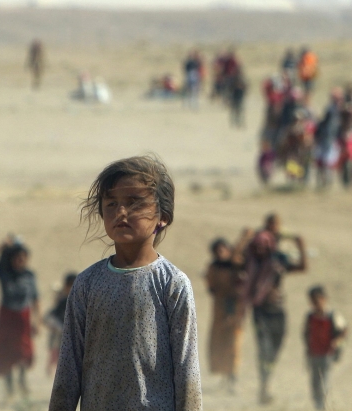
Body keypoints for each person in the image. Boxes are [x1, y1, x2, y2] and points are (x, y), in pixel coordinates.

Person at [48, 155, 203, 411]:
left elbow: (187, 372)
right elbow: (68, 369)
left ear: (162, 215)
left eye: (134, 203)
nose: (121, 212)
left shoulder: (172, 284)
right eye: (111, 203)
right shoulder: (87, 284)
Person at [237, 227, 307, 405]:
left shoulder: (278, 261)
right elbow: (233, 258)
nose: (260, 249)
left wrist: (301, 247)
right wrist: (244, 238)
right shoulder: (250, 262)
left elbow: (302, 267)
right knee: (264, 349)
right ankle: (264, 387)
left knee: (276, 347)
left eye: (264, 246)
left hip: (278, 311)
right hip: (260, 312)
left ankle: (266, 383)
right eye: (257, 246)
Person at [0, 237, 40, 402]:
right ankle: (9, 389)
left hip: (23, 317)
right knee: (6, 352)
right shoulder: (4, 272)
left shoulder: (30, 276)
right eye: (17, 258)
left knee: (23, 351)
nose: (20, 261)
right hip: (6, 317)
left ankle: (22, 382)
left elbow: (35, 299)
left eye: (23, 258)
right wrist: (0, 246)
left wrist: (37, 320)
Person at [205, 237, 244, 391]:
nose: (220, 253)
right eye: (217, 251)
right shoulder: (213, 267)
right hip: (219, 310)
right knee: (219, 343)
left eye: (223, 249)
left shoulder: (236, 266)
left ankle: (232, 377)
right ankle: (223, 376)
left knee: (233, 342)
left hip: (234, 310)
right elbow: (212, 287)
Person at [303, 285, 347, 410]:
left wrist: (336, 342)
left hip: (327, 354)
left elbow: (344, 329)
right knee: (314, 383)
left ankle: (323, 406)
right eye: (313, 301)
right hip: (314, 354)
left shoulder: (332, 315)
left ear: (324, 299)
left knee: (324, 382)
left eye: (318, 300)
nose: (316, 304)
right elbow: (306, 334)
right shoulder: (310, 317)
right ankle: (318, 406)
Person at [44, 272, 76, 376]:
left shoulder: (82, 301)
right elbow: (51, 316)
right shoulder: (63, 301)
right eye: (69, 286)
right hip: (61, 338)